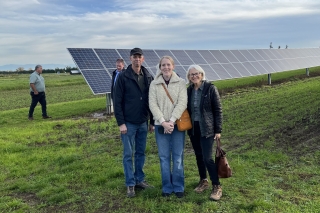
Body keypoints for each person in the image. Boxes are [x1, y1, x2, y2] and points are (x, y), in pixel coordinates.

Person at [114, 47, 154, 198]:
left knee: (140, 153)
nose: (137, 59)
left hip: (143, 121)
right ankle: (130, 183)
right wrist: (121, 123)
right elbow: (117, 101)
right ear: (130, 59)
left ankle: (139, 180)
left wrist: (152, 121)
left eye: (139, 57)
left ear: (143, 59)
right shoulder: (123, 77)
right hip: (128, 123)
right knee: (127, 154)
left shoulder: (148, 76)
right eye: (134, 57)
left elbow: (152, 100)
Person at [149, 56, 187, 198]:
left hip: (176, 125)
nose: (166, 67)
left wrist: (171, 121)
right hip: (160, 126)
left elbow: (182, 103)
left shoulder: (181, 82)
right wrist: (162, 121)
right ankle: (167, 187)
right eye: (163, 65)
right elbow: (152, 104)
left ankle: (178, 187)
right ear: (160, 67)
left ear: (173, 66)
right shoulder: (154, 84)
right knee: (164, 157)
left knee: (178, 157)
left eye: (168, 65)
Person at [186, 65, 223, 201]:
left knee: (207, 158)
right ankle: (203, 181)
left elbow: (218, 110)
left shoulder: (210, 88)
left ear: (201, 74)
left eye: (196, 74)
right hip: (194, 128)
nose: (194, 76)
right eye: (191, 74)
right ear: (189, 77)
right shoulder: (189, 90)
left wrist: (218, 130)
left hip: (207, 128)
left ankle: (217, 185)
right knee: (199, 156)